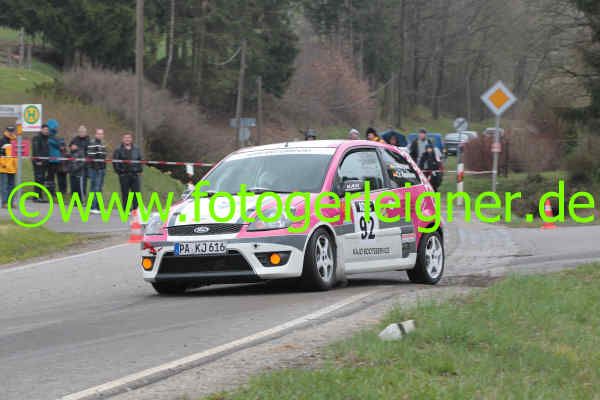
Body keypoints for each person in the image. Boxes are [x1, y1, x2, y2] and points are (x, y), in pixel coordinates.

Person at [113, 132, 143, 211]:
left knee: (136, 193)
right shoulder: (118, 150)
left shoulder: (136, 149)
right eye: (125, 138)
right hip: (124, 175)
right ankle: (126, 209)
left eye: (129, 138)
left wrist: (139, 170)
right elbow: (115, 162)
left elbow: (140, 160)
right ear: (123, 139)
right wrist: (120, 172)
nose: (127, 139)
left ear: (131, 139)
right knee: (125, 193)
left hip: (135, 174)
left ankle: (136, 209)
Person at [87, 129, 108, 213]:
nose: (100, 135)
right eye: (98, 134)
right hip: (94, 169)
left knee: (99, 188)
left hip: (102, 169)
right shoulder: (92, 143)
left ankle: (98, 206)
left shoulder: (103, 144)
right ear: (95, 135)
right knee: (95, 188)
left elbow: (104, 157)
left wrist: (103, 167)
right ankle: (93, 206)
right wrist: (97, 168)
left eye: (101, 134)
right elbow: (91, 157)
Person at [32, 124, 51, 202]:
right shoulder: (37, 138)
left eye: (47, 130)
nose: (46, 131)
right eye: (45, 129)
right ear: (41, 130)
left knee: (41, 179)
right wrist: (37, 161)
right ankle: (36, 197)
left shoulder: (47, 138)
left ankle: (39, 196)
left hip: (44, 162)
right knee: (38, 179)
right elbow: (35, 150)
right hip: (38, 162)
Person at [69, 125, 90, 196]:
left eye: (83, 132)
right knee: (73, 183)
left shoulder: (88, 140)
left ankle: (82, 197)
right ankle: (74, 198)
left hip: (83, 166)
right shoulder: (75, 139)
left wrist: (78, 149)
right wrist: (72, 148)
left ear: (85, 132)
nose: (81, 133)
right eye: (80, 132)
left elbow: (88, 152)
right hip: (74, 164)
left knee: (82, 183)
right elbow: (70, 147)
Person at [47, 119, 66, 195]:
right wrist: (60, 144)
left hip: (56, 159)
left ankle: (56, 190)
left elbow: (60, 144)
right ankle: (51, 191)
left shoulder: (54, 136)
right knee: (51, 177)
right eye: (55, 127)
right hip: (51, 160)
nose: (56, 128)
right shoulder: (49, 136)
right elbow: (57, 144)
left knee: (56, 176)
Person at [0, 126, 17, 207]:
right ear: (6, 131)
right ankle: (4, 202)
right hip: (4, 167)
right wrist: (2, 164)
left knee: (12, 186)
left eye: (12, 131)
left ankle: (11, 203)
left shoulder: (15, 141)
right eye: (9, 131)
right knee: (4, 186)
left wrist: (16, 165)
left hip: (12, 168)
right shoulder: (2, 141)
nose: (11, 133)